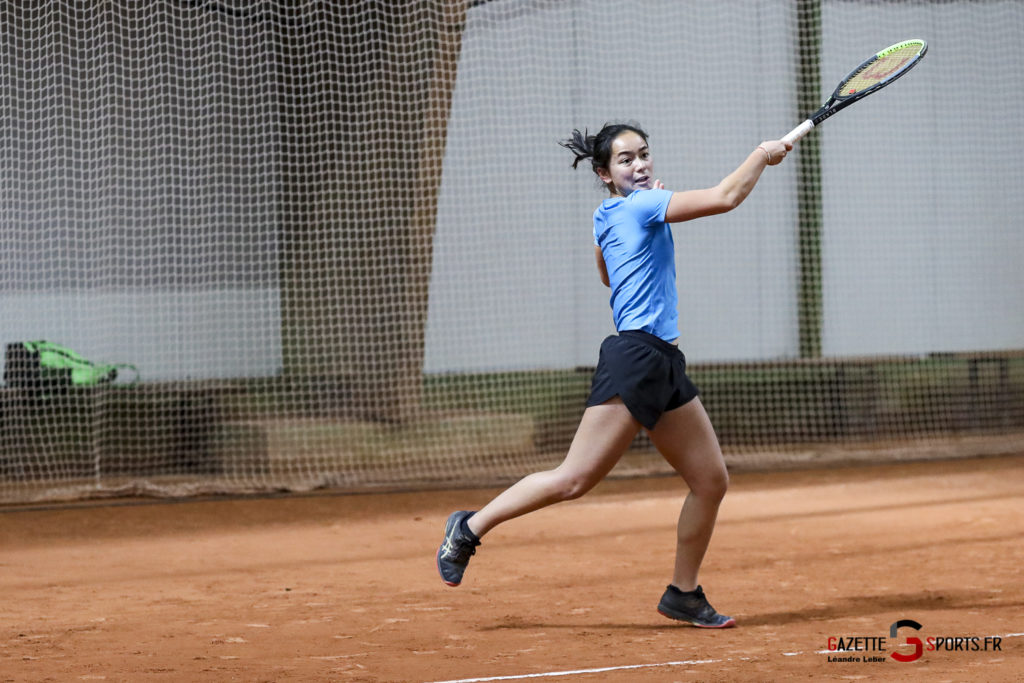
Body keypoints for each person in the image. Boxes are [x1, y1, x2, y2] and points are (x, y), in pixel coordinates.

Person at [436, 122, 791, 628]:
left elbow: (609, 274)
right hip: (636, 358)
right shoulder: (643, 206)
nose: (639, 164)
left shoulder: (608, 214)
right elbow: (726, 196)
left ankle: (683, 594)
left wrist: (654, 219)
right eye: (625, 160)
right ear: (604, 172)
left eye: (643, 154)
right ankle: (468, 527)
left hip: (663, 359)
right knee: (574, 479)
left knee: (710, 481)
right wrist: (763, 154)